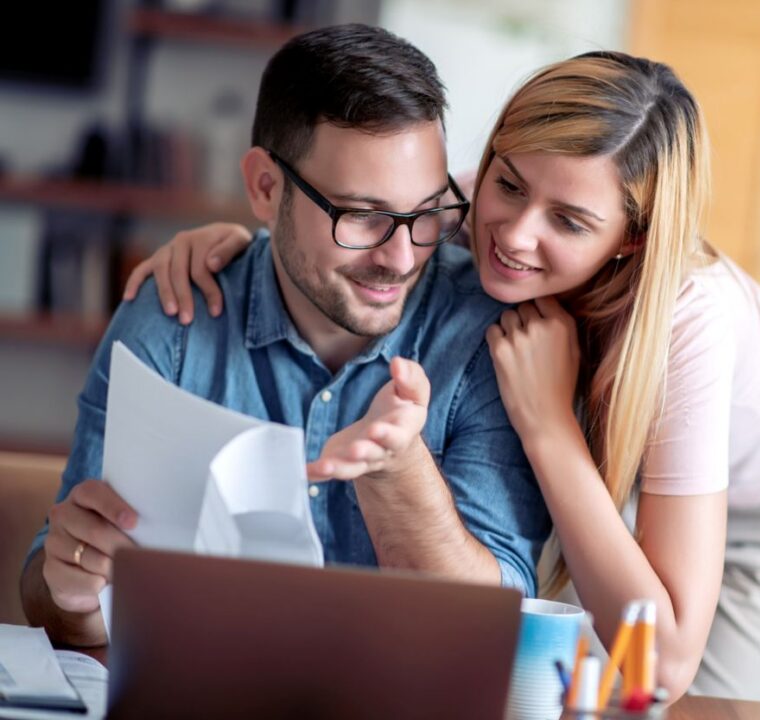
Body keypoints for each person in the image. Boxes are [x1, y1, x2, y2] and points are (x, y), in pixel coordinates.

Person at [123, 50, 760, 702]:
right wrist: (232, 245)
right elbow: (330, 228)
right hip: (611, 473)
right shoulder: (471, 202)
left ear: (629, 241)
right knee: (549, 684)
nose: (512, 233)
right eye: (509, 184)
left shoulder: (688, 323)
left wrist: (546, 423)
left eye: (568, 222)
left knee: (659, 705)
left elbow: (659, 662)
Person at [20, 24, 551, 649]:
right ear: (266, 189)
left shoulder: (487, 335)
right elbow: (47, 586)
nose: (403, 258)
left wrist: (401, 476)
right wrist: (76, 594)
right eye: (362, 215)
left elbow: (504, 628)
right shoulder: (170, 316)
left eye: (426, 212)